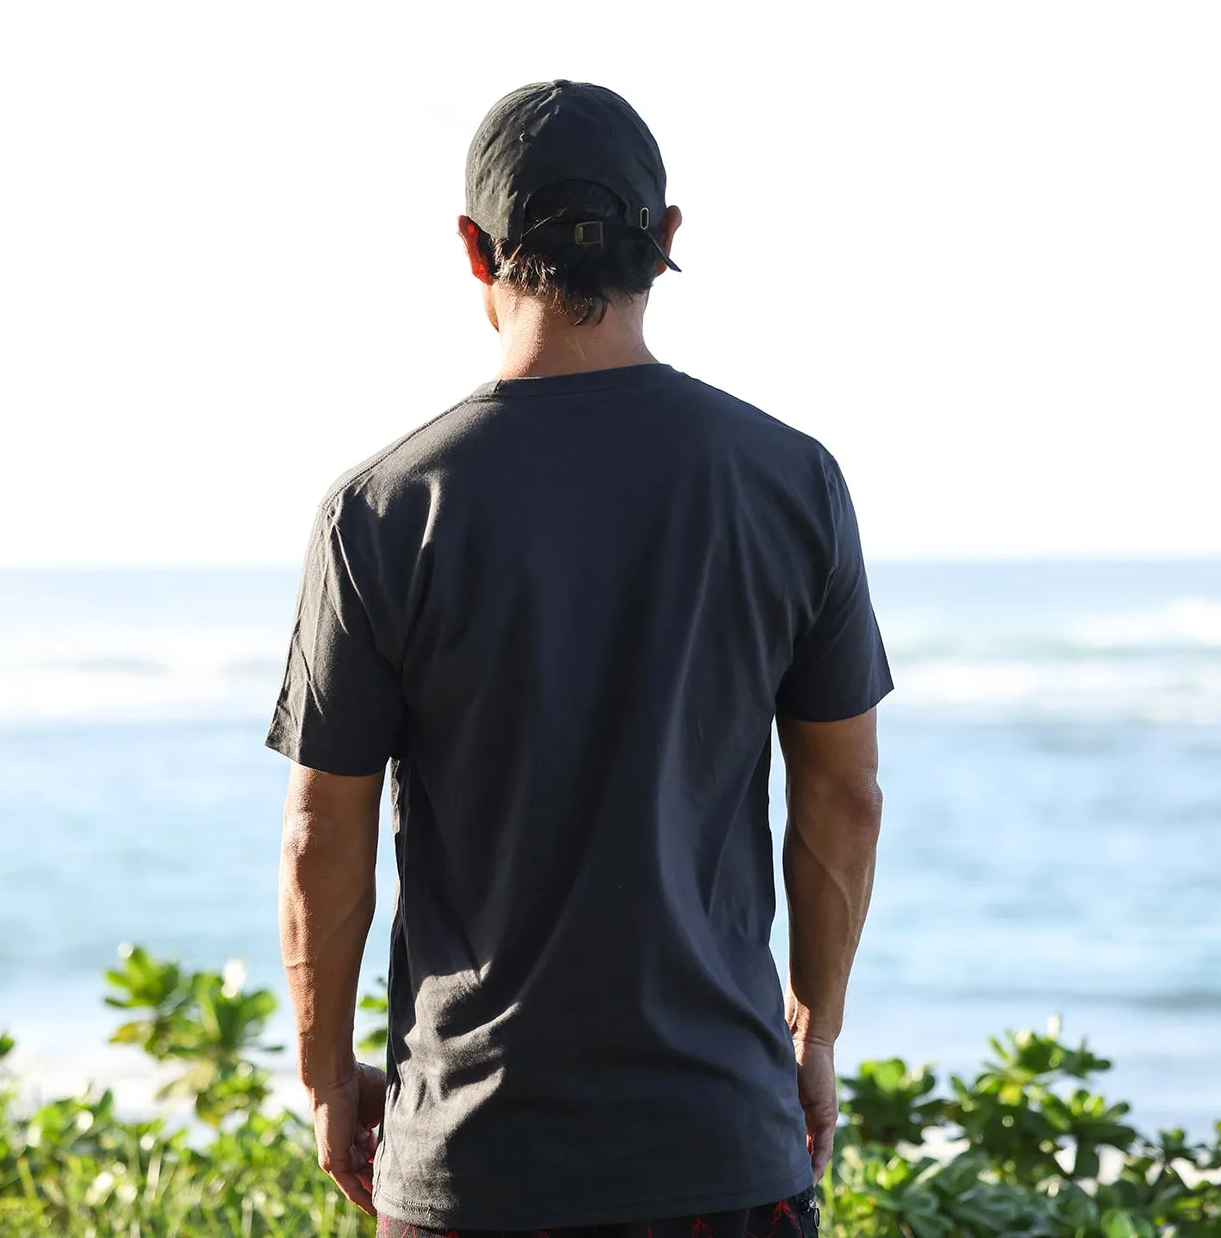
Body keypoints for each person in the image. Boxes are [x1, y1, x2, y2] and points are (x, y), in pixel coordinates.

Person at [268, 80, 891, 1238]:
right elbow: (843, 792)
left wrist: (324, 1073)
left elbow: (322, 831)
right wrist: (815, 1028)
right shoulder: (791, 481)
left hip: (471, 1158)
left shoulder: (385, 507)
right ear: (666, 243)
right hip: (717, 1143)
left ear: (472, 249)